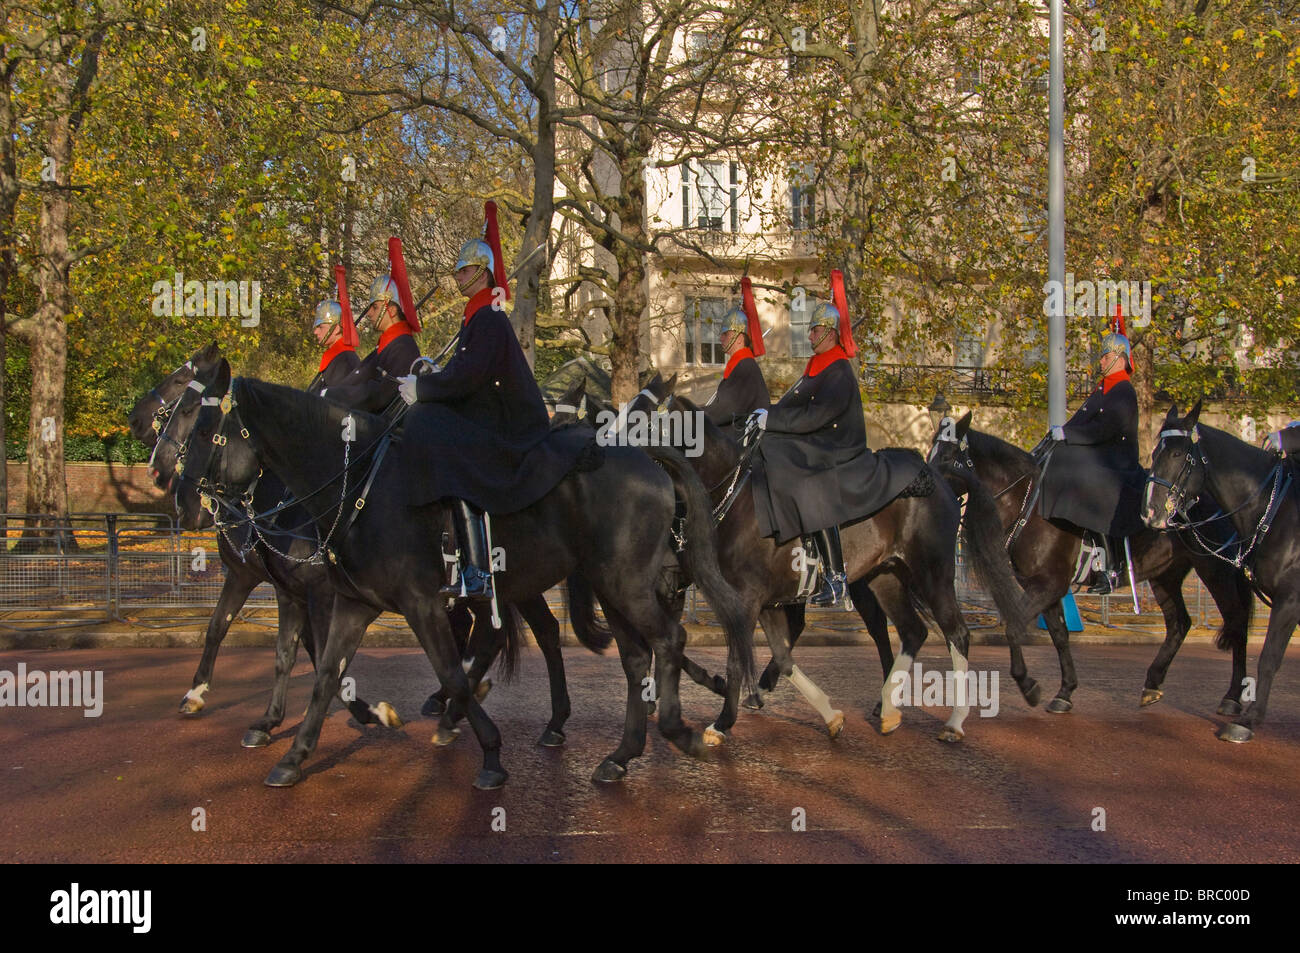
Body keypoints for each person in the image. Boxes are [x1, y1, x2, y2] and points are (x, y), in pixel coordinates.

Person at [396, 203, 590, 602]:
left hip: (509, 428)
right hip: (490, 418)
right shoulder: (478, 317)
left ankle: (476, 569)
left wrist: (425, 391)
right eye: (458, 271)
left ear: (482, 273)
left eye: (464, 271)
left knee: (453, 460)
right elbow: (463, 371)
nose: (457, 277)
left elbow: (469, 378)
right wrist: (430, 377)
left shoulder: (488, 318)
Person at [747, 271, 923, 607]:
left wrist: (772, 420)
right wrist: (762, 414)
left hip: (840, 448)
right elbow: (790, 406)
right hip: (819, 443)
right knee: (770, 448)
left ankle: (835, 574)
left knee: (810, 484)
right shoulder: (817, 365)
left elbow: (817, 416)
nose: (809, 334)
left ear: (828, 332)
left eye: (814, 329)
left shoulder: (839, 370)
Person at [1038, 307, 1145, 594]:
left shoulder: (1123, 392)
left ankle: (1109, 566)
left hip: (1116, 464)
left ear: (1120, 360)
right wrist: (1057, 436)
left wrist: (1069, 436)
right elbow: (1080, 423)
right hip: (1099, 458)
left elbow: (1105, 429)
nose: (1101, 361)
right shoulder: (1102, 390)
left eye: (1106, 356)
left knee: (1071, 459)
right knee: (1055, 455)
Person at [324, 240, 421, 415]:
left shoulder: (403, 348)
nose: (369, 313)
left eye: (374, 307)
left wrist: (332, 395)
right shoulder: (387, 345)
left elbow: (379, 395)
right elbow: (358, 380)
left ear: (391, 310)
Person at [703, 277, 770, 435]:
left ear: (739, 338)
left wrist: (691, 416)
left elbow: (725, 410)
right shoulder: (739, 366)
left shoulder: (745, 367)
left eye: (726, 334)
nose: (721, 338)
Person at [307, 266, 361, 397]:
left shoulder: (345, 361)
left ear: (336, 328)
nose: (315, 332)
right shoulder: (336, 357)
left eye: (320, 327)